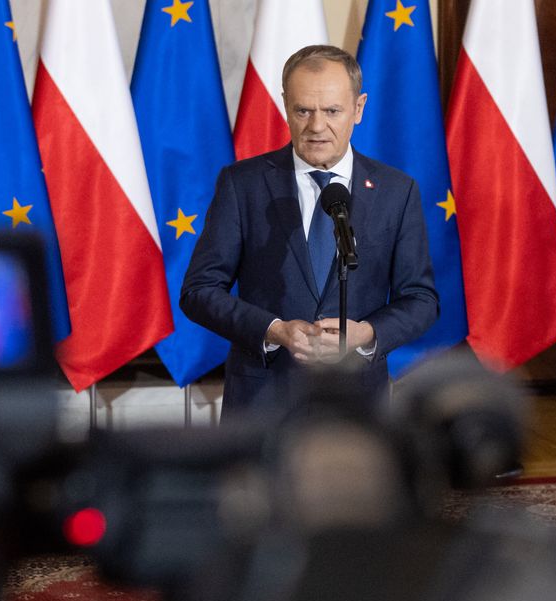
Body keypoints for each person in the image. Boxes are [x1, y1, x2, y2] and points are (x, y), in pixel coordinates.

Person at [181, 45, 439, 420]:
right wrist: (274, 330)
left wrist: (365, 334)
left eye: (332, 111)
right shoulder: (243, 184)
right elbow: (199, 291)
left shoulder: (396, 192)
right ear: (286, 106)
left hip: (357, 403)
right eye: (304, 110)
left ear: (359, 108)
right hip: (263, 398)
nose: (317, 126)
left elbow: (421, 299)